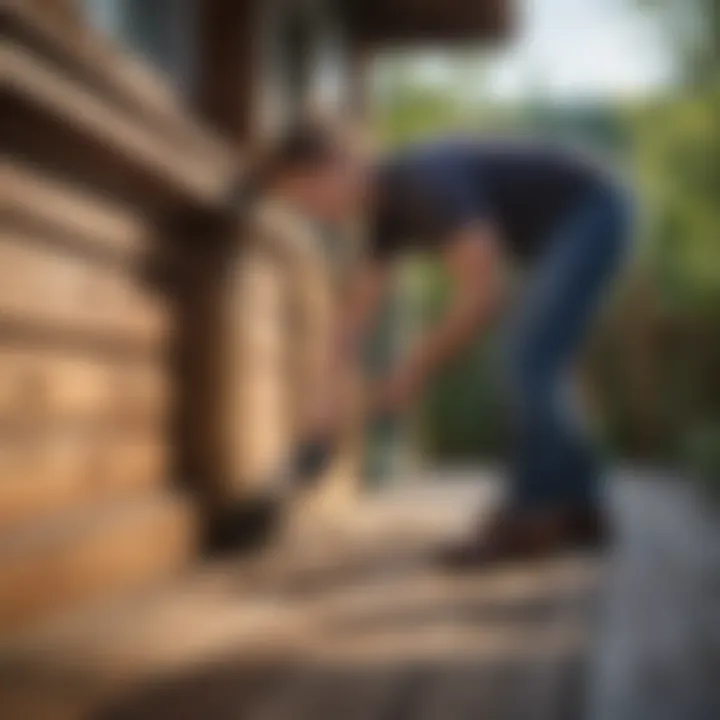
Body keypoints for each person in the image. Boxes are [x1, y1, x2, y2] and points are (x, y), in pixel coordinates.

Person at [257, 122, 632, 565]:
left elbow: (484, 295)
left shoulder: (422, 181)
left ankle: (535, 514)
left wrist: (413, 369)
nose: (310, 212)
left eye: (305, 195)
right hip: (573, 223)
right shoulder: (387, 215)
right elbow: (352, 321)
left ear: (338, 166)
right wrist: (322, 419)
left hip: (591, 210)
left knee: (527, 356)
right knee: (539, 359)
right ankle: (578, 511)